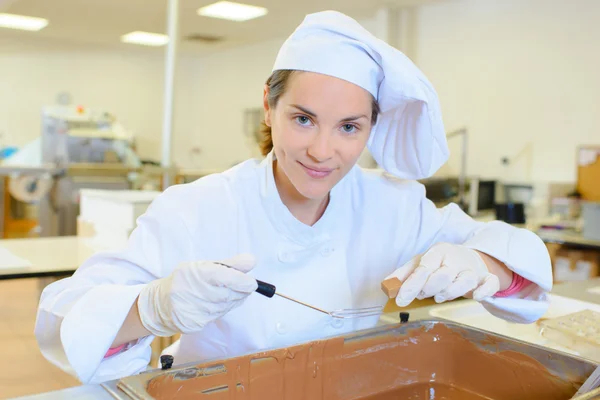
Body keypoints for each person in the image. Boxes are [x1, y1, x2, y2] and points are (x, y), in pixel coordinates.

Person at [35, 10, 551, 384]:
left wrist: (483, 263)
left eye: (349, 127)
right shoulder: (198, 207)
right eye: (303, 119)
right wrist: (152, 308)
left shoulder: (393, 205)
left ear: (372, 127)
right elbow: (62, 320)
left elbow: (518, 263)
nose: (322, 151)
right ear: (268, 106)